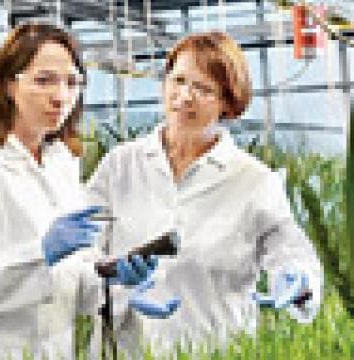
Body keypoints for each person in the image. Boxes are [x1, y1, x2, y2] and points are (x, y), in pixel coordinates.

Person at [84, 31, 324, 357]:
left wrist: (298, 282)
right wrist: (107, 271)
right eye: (178, 80)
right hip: (126, 348)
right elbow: (80, 250)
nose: (185, 96)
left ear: (228, 102)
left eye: (204, 89)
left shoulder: (254, 180)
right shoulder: (119, 166)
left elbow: (292, 254)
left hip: (213, 347)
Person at [0, 23, 153, 360]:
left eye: (72, 82)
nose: (61, 95)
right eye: (44, 80)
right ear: (8, 85)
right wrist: (40, 253)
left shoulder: (61, 166)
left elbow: (66, 287)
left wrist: (113, 278)